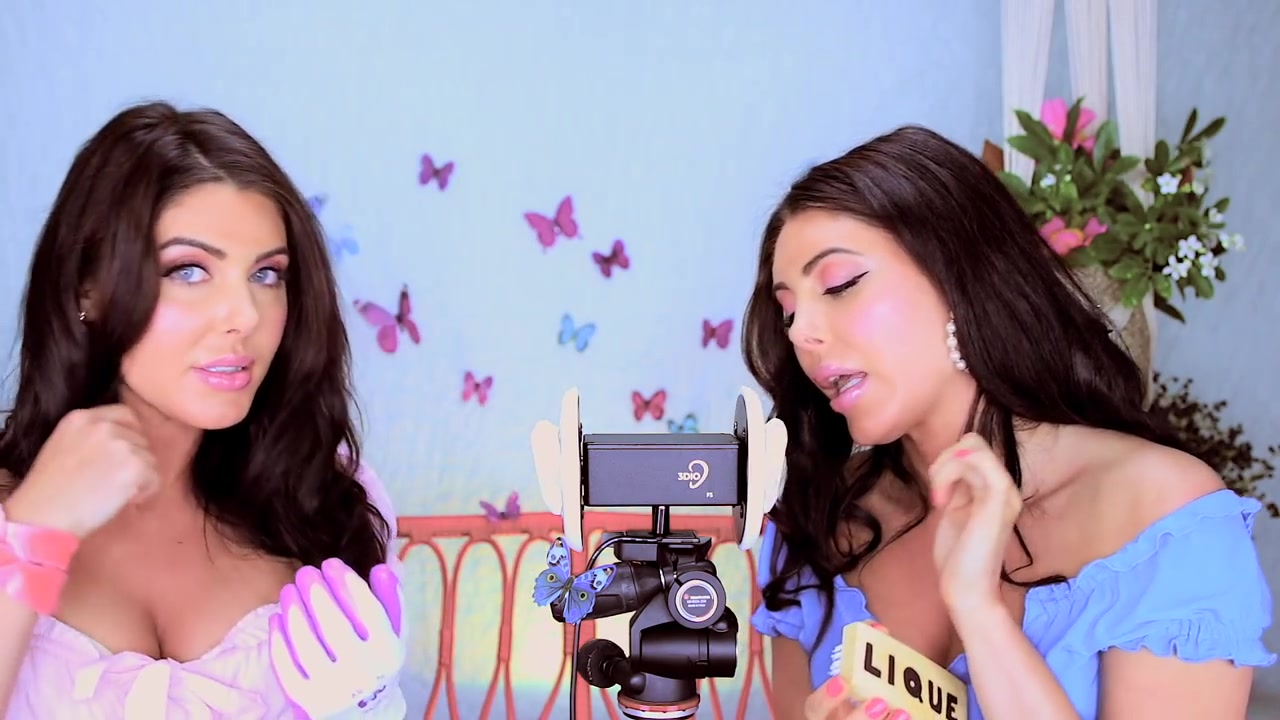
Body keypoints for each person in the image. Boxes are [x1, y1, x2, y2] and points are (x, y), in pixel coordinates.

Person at [742, 125, 1275, 719]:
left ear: (958, 280)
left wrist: (979, 608)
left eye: (840, 284)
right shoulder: (814, 521)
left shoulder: (1165, 517)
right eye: (787, 312)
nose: (802, 334)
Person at [0, 101, 407, 718]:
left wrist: (373, 709)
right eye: (188, 270)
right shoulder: (13, 502)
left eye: (267, 275)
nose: (245, 315)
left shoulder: (327, 499)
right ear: (89, 291)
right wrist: (33, 531)